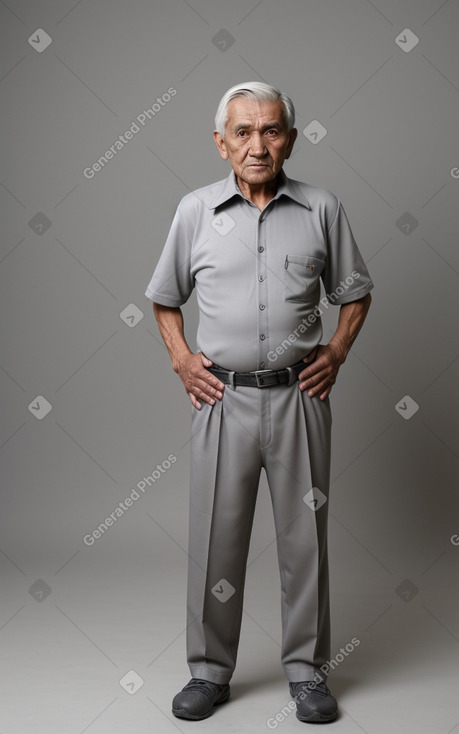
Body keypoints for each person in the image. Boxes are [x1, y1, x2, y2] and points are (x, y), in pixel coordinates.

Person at [145, 81, 373, 724]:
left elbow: (356, 293)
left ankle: (306, 674)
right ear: (221, 143)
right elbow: (164, 297)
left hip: (301, 398)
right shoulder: (194, 212)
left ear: (291, 140)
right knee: (217, 541)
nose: (257, 144)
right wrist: (182, 361)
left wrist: (338, 352)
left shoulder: (323, 208)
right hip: (222, 403)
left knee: (306, 541)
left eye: (271, 131)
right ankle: (210, 672)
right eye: (242, 132)